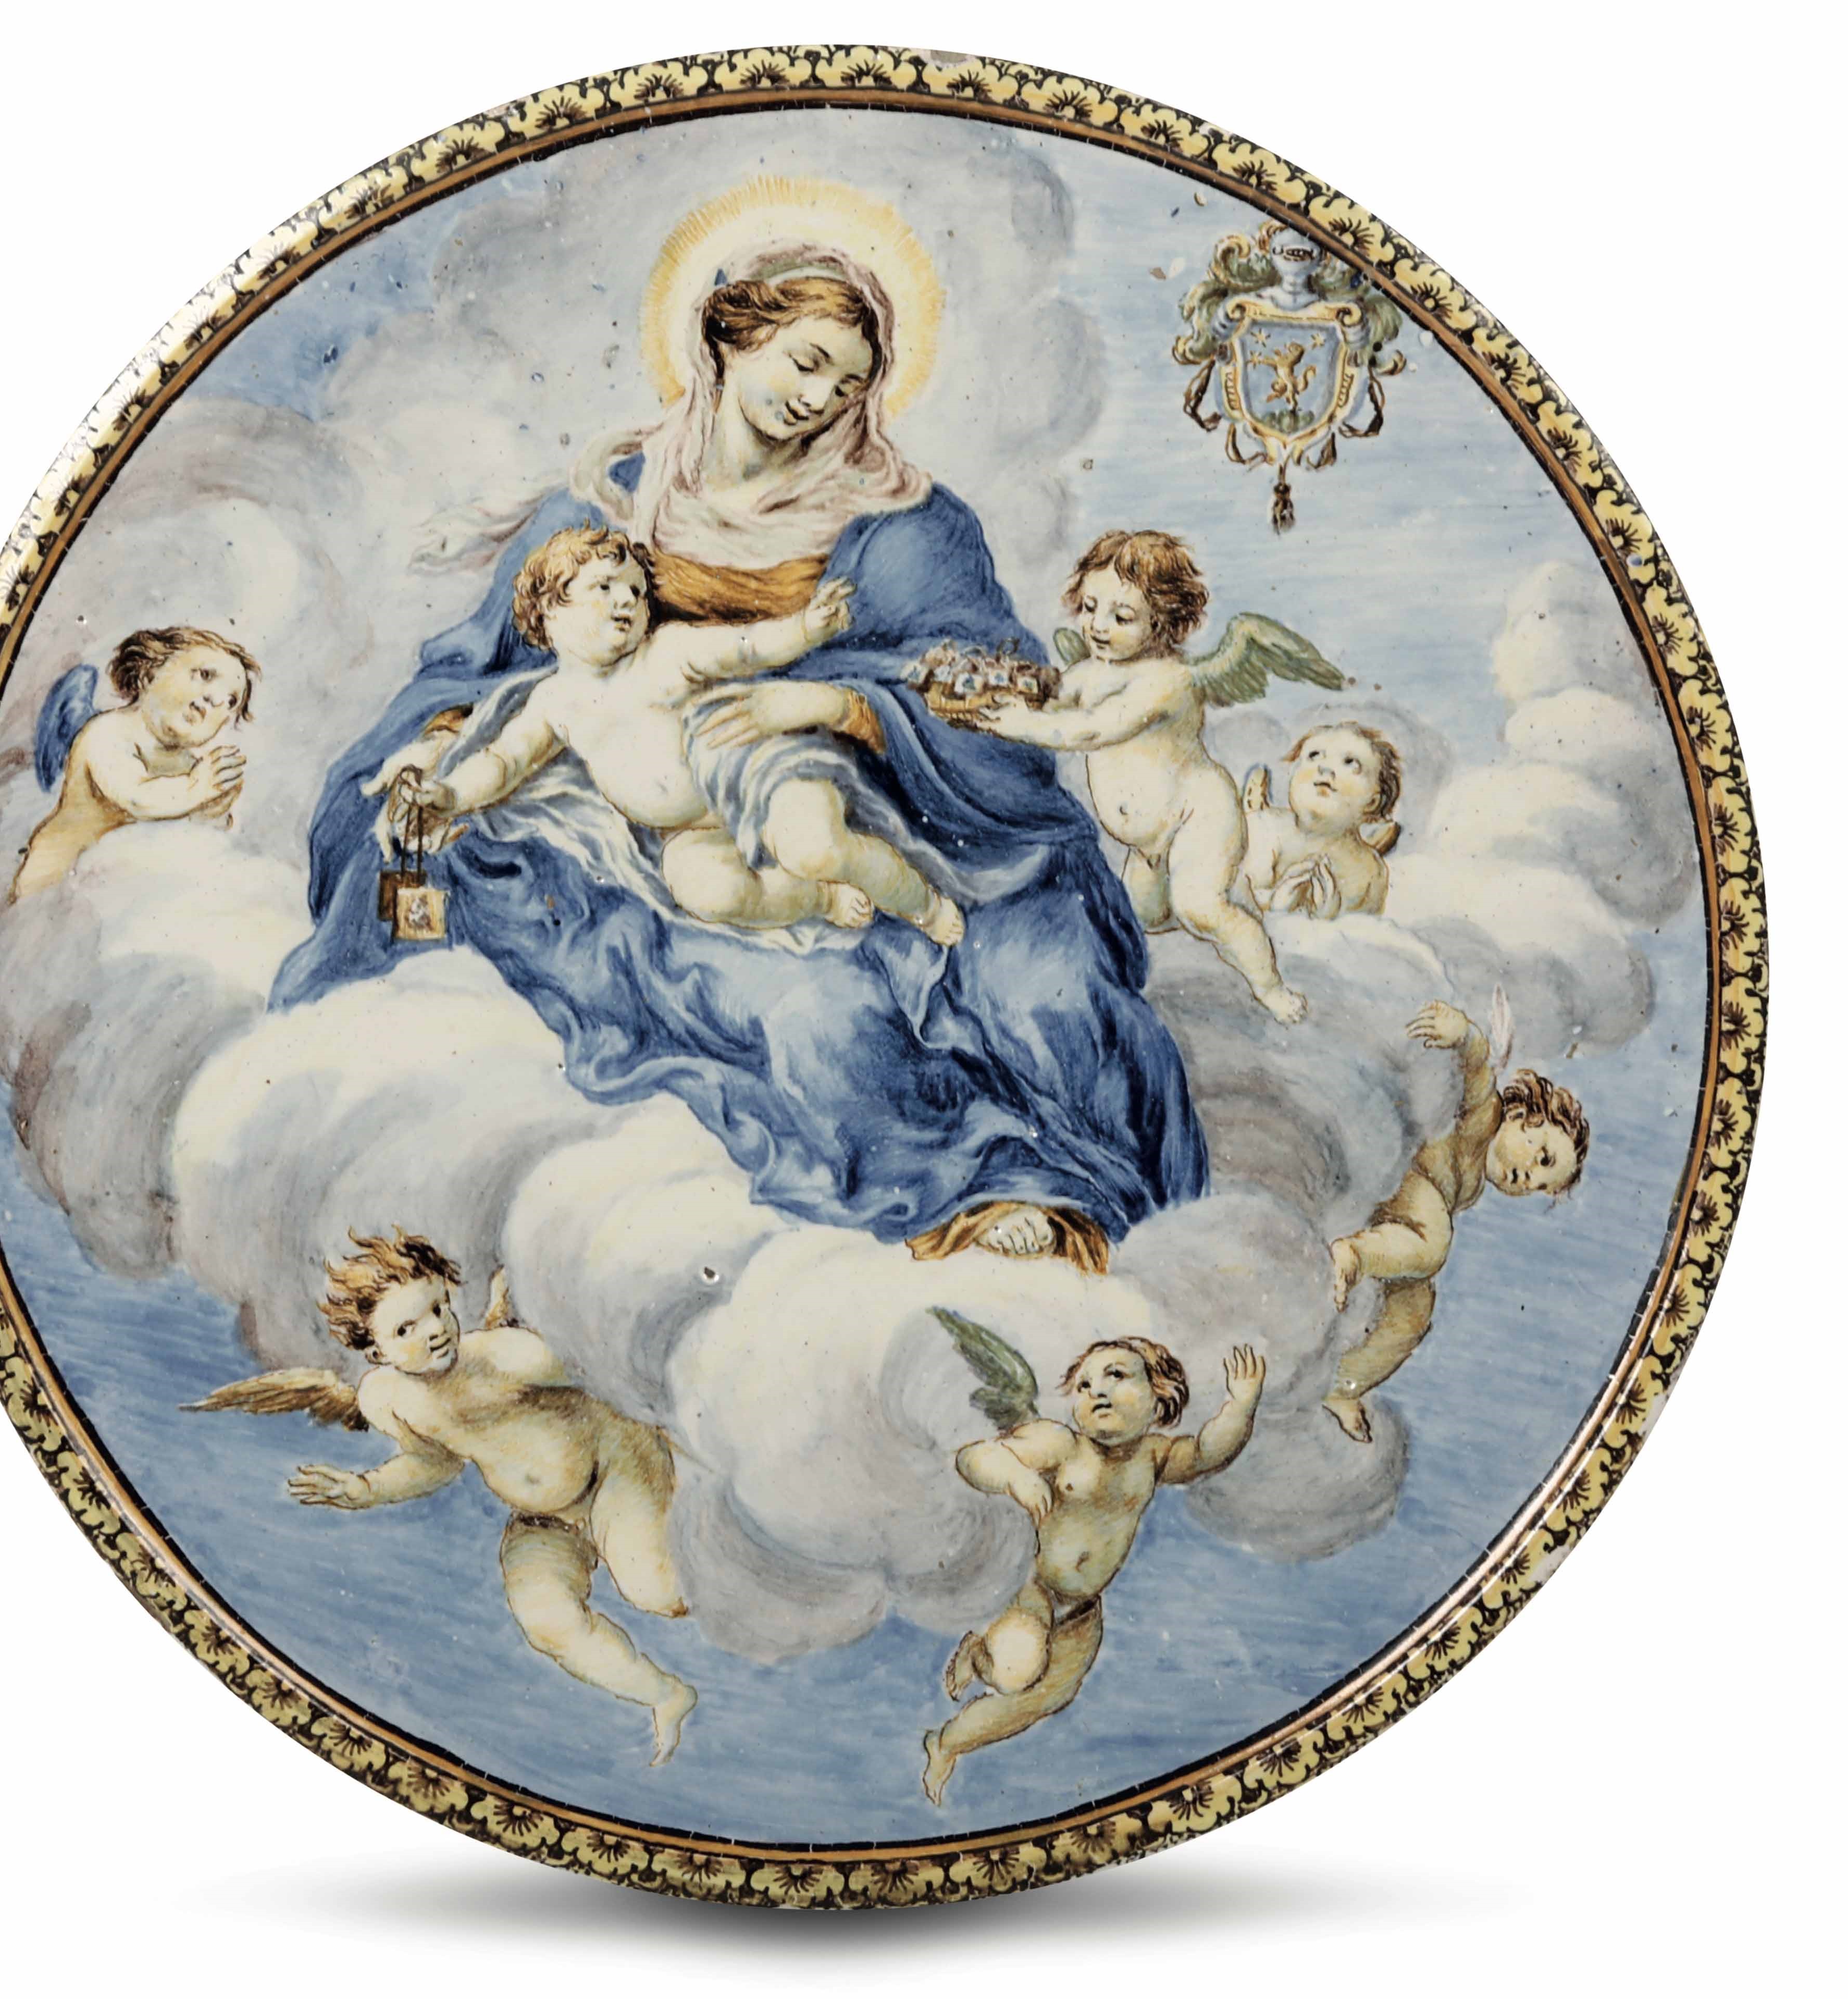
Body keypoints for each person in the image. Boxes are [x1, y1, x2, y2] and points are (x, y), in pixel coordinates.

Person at [275, 243, 1207, 1272]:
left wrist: (837, 701)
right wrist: (438, 752)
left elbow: (996, 692)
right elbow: (492, 670)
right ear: (728, 335)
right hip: (647, 829)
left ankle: (1048, 1188)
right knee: (807, 1010)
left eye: (849, 384)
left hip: (883, 799)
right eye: (805, 362)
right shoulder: (604, 505)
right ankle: (964, 1186)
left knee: (1041, 990)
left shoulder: (905, 525)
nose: (821, 399)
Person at [189, 1229, 698, 1764]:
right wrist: (365, 1488)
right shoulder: (389, 1398)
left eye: (437, 1308)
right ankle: (664, 1693)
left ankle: (737, 1556)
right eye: (406, 1328)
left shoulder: (504, 1356)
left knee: (657, 1592)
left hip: (613, 1466)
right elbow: (433, 1463)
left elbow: (616, 1379)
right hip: (544, 1516)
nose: (434, 1331)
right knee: (546, 1618)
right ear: (375, 1349)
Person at [375, 526, 962, 941]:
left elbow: (748, 648)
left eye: (636, 591)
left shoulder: (667, 651)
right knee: (708, 893)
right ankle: (820, 899)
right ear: (548, 610)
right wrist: (450, 794)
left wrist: (806, 629)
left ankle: (921, 902)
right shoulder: (551, 703)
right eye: (605, 587)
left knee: (816, 848)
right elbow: (504, 761)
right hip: (689, 828)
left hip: (761, 773)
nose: (628, 600)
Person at [978, 529, 1341, 1021]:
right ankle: (1222, 911)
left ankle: (1270, 987)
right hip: (1147, 842)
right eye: (1089, 608)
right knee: (1140, 915)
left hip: (1198, 817)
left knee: (1201, 909)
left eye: (1121, 617)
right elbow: (1054, 699)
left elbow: (1093, 729)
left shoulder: (1167, 681)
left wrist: (1021, 726)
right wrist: (1005, 694)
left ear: (1162, 621)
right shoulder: (1090, 672)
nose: (1098, 626)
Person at [922, 1337, 1267, 1805]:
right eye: (1084, 1385)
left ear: (1159, 1397)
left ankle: (946, 1744)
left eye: (1116, 1376)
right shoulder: (1063, 1445)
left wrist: (1241, 1406)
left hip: (1083, 1609)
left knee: (1043, 1699)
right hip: (1033, 1589)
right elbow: (974, 1457)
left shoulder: (1154, 1457)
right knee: (1015, 1671)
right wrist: (1016, 1475)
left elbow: (1207, 1452)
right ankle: (978, 1654)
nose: (1097, 1391)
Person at [1323, 1002, 1591, 1441]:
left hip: (1410, 1215)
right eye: (1543, 1157)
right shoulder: (1487, 1116)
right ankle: (1353, 1255)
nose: (1530, 1178)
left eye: (1542, 1185)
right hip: (1405, 1175)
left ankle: (1342, 1384)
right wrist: (1464, 1034)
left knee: (1416, 1310)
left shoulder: (1474, 1186)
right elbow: (1478, 1069)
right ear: (1526, 1116)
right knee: (1436, 1241)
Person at [13, 627, 257, 897]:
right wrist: (197, 788)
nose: (215, 699)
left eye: (231, 702)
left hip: (117, 888)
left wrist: (213, 809)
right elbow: (137, 798)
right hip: (55, 879)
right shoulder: (109, 732)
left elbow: (193, 836)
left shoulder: (191, 767)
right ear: (150, 673)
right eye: (205, 675)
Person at [1242, 721, 1402, 919]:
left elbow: (1366, 929)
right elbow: (1236, 900)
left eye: (1350, 763)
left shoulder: (1370, 871)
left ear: (1372, 802)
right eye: (1314, 755)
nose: (1325, 769)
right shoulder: (1265, 830)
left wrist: (1330, 919)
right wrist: (1275, 904)